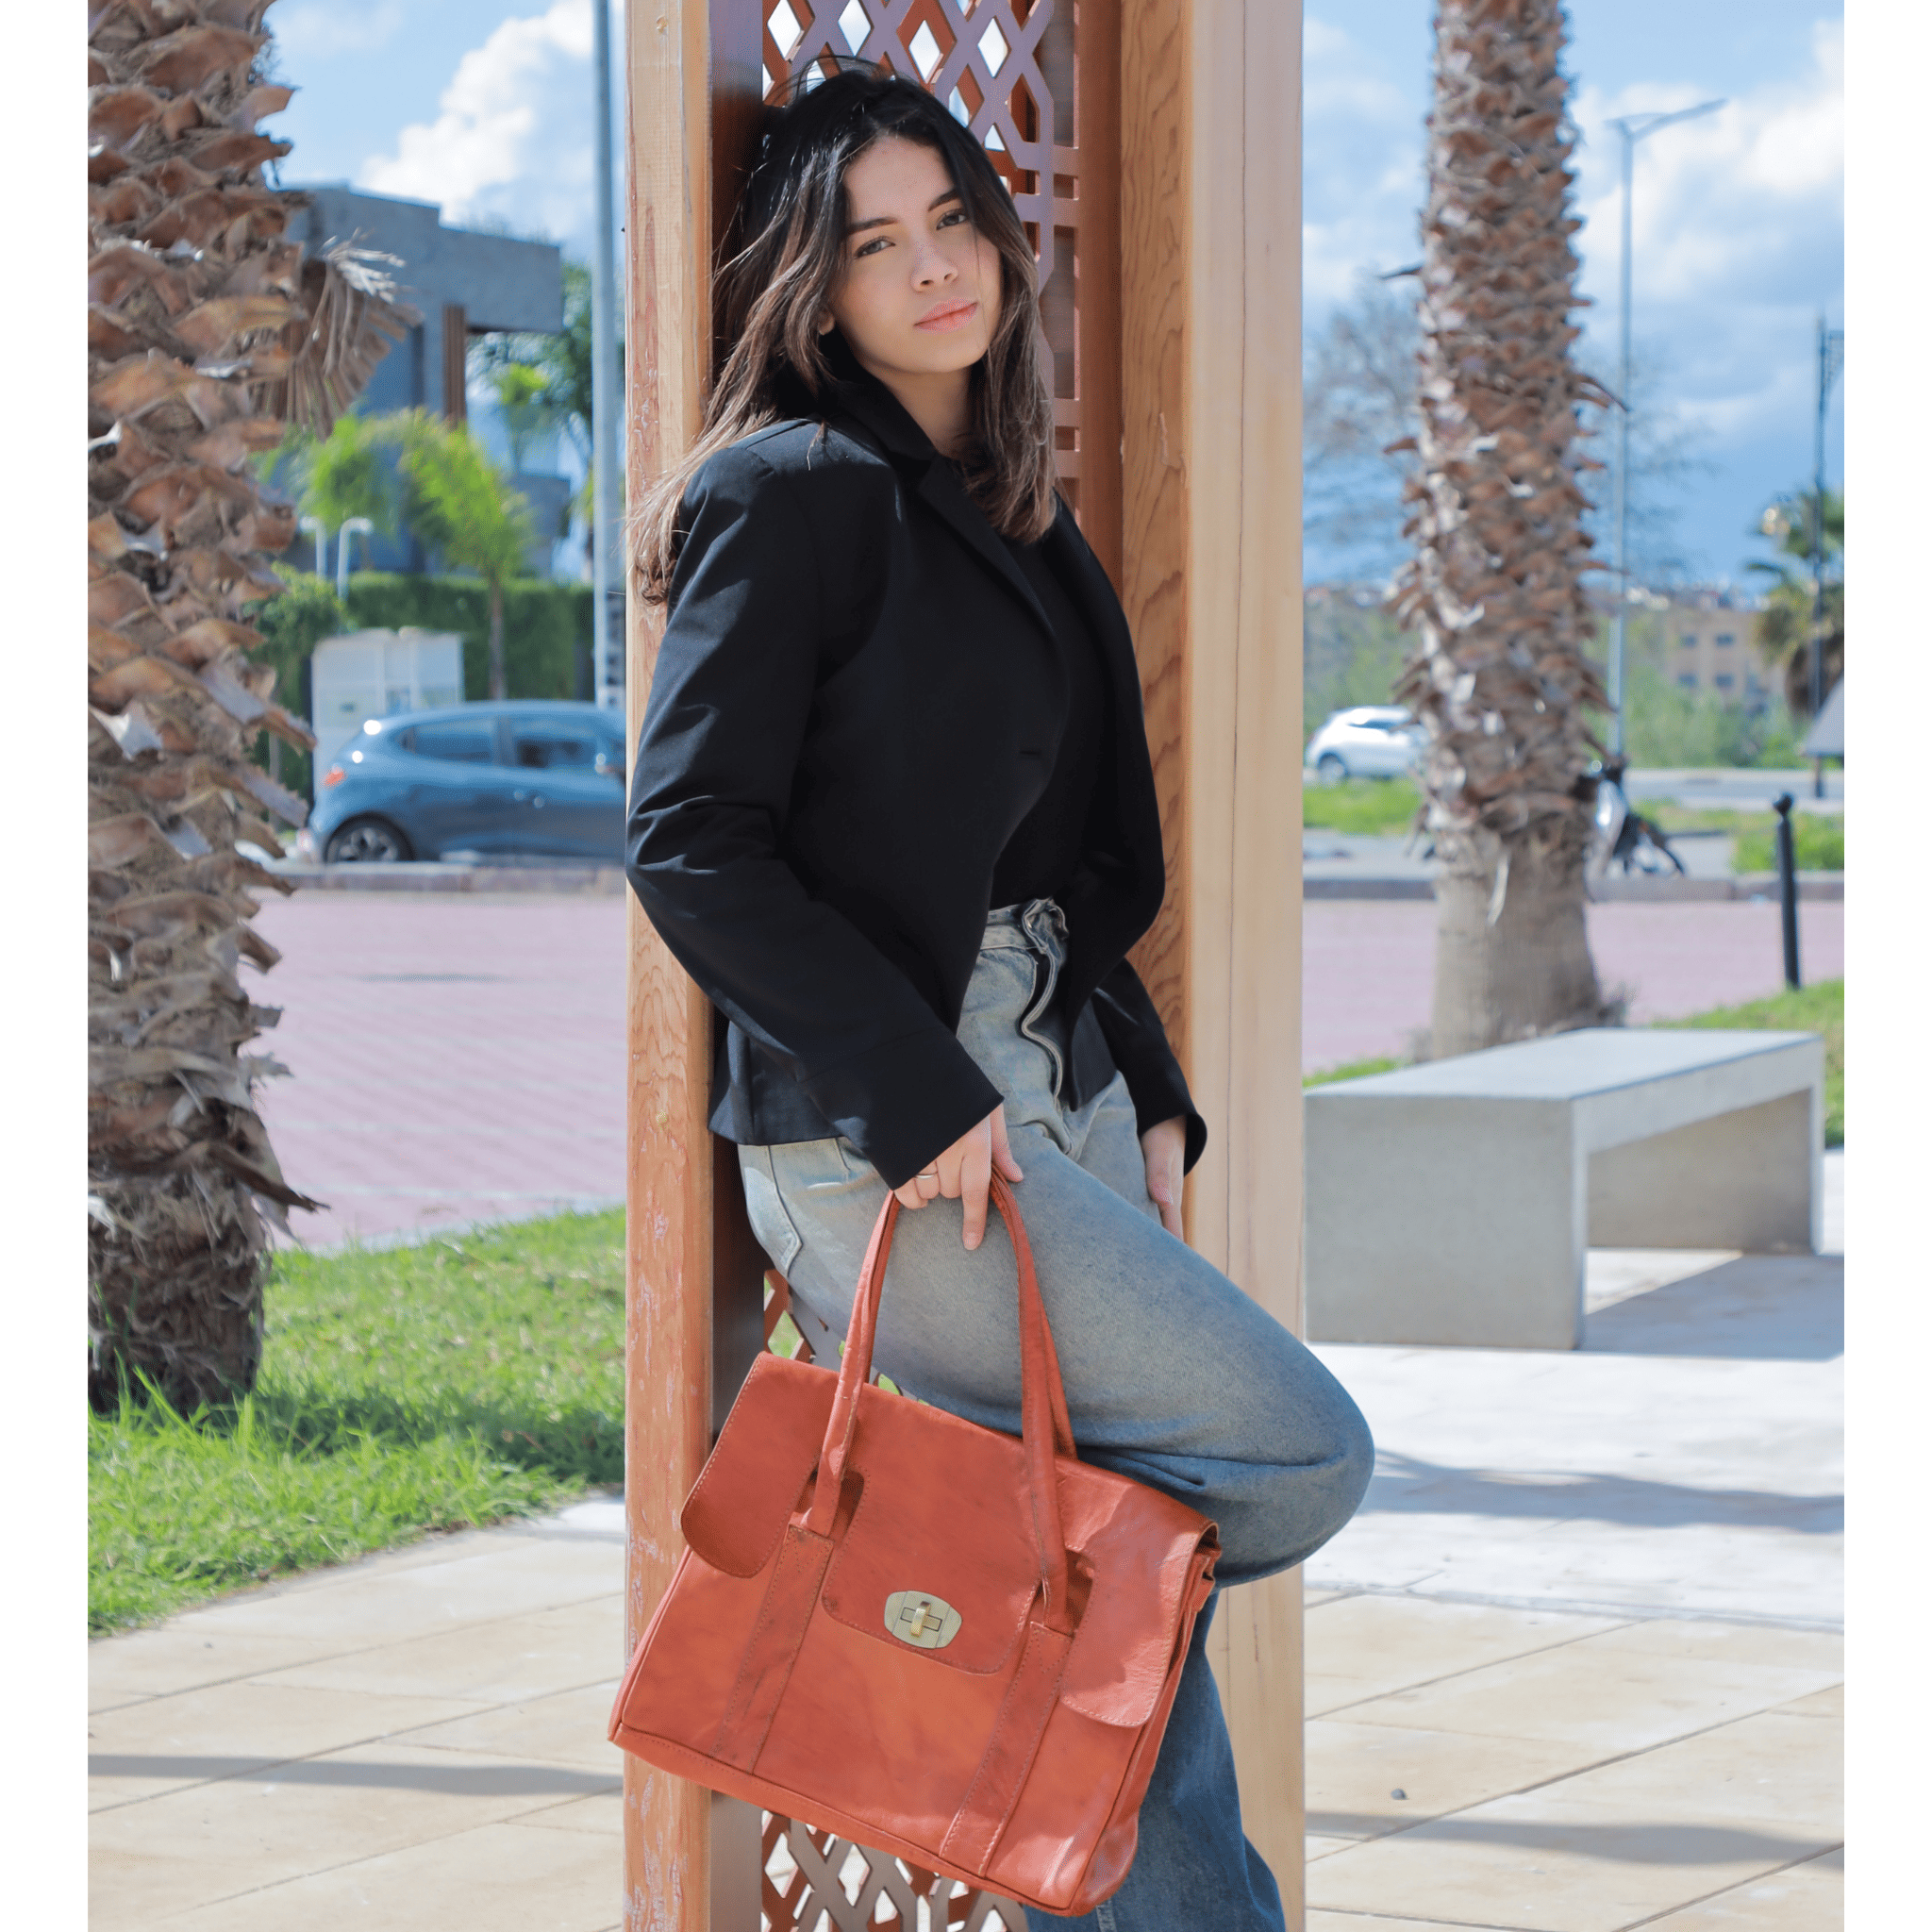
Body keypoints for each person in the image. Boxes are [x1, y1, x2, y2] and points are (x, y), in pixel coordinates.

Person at [625, 66, 1373, 1932]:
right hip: (895, 1129)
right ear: (814, 285)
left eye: (953, 219)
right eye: (875, 244)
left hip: (1054, 1076)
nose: (935, 268)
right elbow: (691, 841)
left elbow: (1050, 873)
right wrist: (916, 1098)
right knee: (1290, 1452)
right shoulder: (790, 489)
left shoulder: (1013, 502)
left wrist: (1147, 1075)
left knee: (1096, 1580)